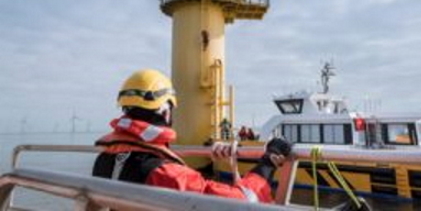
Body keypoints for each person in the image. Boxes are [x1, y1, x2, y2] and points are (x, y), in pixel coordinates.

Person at [92, 69, 292, 203]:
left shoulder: (104, 160)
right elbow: (241, 200)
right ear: (165, 112)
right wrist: (268, 162)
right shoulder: (165, 173)